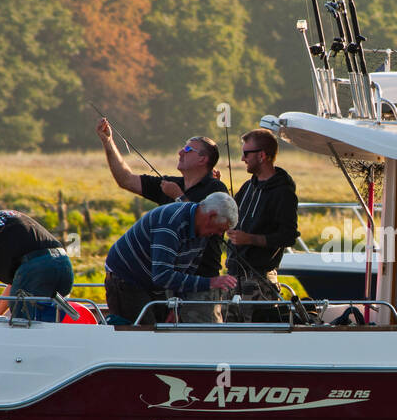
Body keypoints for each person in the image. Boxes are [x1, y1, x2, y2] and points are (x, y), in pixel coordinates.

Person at [97, 119, 231, 321]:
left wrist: (178, 196)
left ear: (203, 159)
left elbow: (200, 218)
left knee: (200, 335)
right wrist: (108, 142)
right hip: (166, 279)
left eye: (188, 149)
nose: (180, 152)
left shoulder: (215, 189)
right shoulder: (169, 183)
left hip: (199, 279)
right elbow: (125, 179)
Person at [104, 193, 239, 324]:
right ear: (211, 216)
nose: (219, 234)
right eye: (220, 229)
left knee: (162, 330)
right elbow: (162, 275)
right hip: (126, 278)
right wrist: (210, 283)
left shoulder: (203, 233)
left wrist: (175, 307)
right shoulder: (171, 223)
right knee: (145, 334)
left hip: (153, 283)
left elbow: (186, 272)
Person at [226, 128, 299, 321]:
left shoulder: (283, 193)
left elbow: (288, 236)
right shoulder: (248, 187)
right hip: (233, 277)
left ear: (262, 155)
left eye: (246, 153)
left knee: (255, 337)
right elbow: (230, 215)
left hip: (259, 281)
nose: (242, 158)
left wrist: (249, 239)